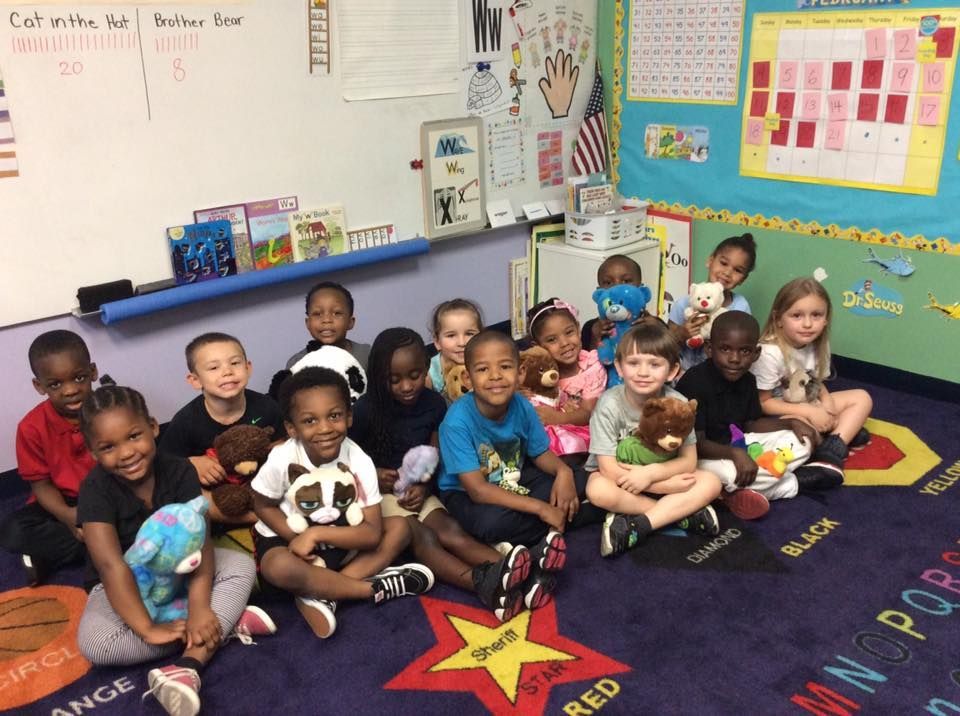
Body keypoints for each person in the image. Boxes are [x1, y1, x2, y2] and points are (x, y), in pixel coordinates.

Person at [75, 385, 275, 716]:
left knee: (241, 564)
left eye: (134, 436)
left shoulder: (180, 470)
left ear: (153, 427)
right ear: (93, 452)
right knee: (96, 645)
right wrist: (146, 628)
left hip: (185, 568)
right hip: (128, 584)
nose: (126, 453)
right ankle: (225, 626)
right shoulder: (95, 490)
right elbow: (111, 567)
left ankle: (188, 664)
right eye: (108, 447)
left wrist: (199, 609)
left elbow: (202, 542)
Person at [350, 327, 533, 621]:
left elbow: (436, 453)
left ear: (426, 369)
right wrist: (374, 472)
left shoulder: (434, 403)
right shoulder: (364, 411)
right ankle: (479, 582)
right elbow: (346, 460)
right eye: (394, 380)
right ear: (378, 377)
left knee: (449, 530)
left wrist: (424, 486)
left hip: (419, 489)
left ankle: (517, 572)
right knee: (424, 537)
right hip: (377, 495)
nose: (407, 386)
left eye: (414, 375)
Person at [252, 366, 433, 639]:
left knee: (401, 528)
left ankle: (326, 594)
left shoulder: (359, 460)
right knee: (276, 567)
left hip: (343, 537)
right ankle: (371, 589)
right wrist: (296, 538)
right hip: (294, 546)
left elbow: (372, 534)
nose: (325, 428)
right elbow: (261, 504)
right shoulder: (281, 459)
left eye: (334, 416)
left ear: (349, 417)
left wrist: (317, 533)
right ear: (291, 428)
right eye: (310, 421)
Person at [437, 331, 605, 607]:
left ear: (520, 372)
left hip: (515, 476)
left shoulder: (522, 407)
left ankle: (541, 531)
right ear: (467, 378)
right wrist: (540, 508)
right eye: (482, 369)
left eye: (505, 367)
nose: (495, 376)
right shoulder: (456, 422)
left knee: (580, 480)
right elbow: (478, 491)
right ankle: (558, 525)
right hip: (469, 494)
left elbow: (539, 453)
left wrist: (562, 474)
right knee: (491, 523)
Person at [585, 322, 723, 557]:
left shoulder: (678, 403)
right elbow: (607, 469)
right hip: (622, 480)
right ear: (619, 367)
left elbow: (689, 462)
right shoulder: (609, 405)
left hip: (663, 472)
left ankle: (640, 525)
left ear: (672, 371)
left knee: (711, 482)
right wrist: (662, 487)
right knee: (597, 489)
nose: (643, 372)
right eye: (633, 363)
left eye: (655, 364)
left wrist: (649, 476)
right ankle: (681, 515)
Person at [675, 312, 822, 518]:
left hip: (740, 443)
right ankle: (790, 483)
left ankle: (741, 490)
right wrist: (735, 454)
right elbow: (694, 444)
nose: (735, 359)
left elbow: (751, 425)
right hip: (705, 456)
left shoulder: (749, 380)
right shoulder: (695, 383)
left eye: (744, 351)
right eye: (725, 349)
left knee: (804, 439)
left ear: (756, 353)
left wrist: (791, 423)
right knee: (730, 474)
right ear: (709, 349)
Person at [751, 277, 873, 486]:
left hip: (807, 402)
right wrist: (810, 413)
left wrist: (827, 403)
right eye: (797, 315)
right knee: (802, 434)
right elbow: (762, 403)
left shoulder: (816, 346)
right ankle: (835, 436)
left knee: (862, 397)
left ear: (826, 319)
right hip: (780, 414)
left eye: (816, 315)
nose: (808, 324)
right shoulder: (770, 353)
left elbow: (815, 381)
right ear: (778, 318)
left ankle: (832, 446)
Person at [0, 330, 97, 585]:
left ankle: (58, 555)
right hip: (60, 501)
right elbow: (41, 485)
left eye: (79, 378)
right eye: (56, 384)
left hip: (108, 493)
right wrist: (68, 516)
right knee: (12, 531)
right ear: (39, 386)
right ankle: (104, 545)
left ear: (93, 372)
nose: (70, 390)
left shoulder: (111, 410)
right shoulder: (31, 427)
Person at [159, 333, 284, 525]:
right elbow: (164, 465)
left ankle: (270, 513)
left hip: (258, 484)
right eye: (213, 367)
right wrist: (191, 463)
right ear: (195, 380)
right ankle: (255, 519)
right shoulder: (186, 421)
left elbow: (284, 443)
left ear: (248, 368)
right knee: (187, 489)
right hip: (219, 494)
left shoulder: (267, 406)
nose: (227, 372)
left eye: (234, 363)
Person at [525, 298, 606, 456]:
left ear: (578, 329)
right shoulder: (536, 372)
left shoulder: (592, 368)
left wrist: (557, 417)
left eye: (569, 333)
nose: (564, 343)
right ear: (538, 346)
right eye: (551, 340)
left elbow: (589, 414)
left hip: (583, 443)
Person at [668, 233, 757, 372]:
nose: (727, 272)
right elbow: (665, 345)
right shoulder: (683, 304)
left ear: (743, 279)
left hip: (721, 375)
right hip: (682, 374)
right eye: (723, 263)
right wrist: (682, 333)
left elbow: (743, 348)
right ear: (710, 261)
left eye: (737, 270)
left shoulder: (740, 307)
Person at [286, 281, 371, 370]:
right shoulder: (297, 363)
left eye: (337, 313)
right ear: (308, 323)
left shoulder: (367, 355)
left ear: (350, 322)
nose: (326, 320)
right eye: (317, 314)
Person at [581, 254, 657, 351]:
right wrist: (596, 337)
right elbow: (586, 361)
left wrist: (655, 331)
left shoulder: (654, 324)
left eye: (626, 281)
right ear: (599, 292)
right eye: (608, 283)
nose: (617, 287)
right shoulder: (591, 327)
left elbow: (667, 356)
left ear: (640, 289)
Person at [424, 298, 483, 400]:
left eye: (469, 334)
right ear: (437, 342)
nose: (461, 343)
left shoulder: (486, 361)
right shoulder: (430, 373)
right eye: (451, 335)